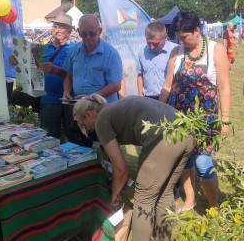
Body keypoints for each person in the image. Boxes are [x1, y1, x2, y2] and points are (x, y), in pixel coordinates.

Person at [73, 94, 193, 241]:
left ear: (89, 114)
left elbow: (121, 169)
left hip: (164, 137)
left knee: (144, 199)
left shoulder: (101, 120)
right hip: (186, 132)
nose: (87, 128)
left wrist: (113, 194)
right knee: (165, 192)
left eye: (83, 124)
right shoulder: (113, 108)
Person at [160, 10, 231, 210]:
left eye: (184, 37)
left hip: (204, 120)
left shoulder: (215, 50)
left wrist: (225, 119)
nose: (181, 41)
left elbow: (224, 88)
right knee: (183, 160)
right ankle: (190, 198)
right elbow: (167, 85)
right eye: (178, 37)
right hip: (178, 117)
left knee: (202, 163)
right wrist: (158, 109)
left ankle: (213, 204)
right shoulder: (176, 53)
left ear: (197, 30)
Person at [62, 14, 123, 146]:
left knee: (103, 147)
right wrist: (66, 91)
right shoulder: (74, 50)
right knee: (81, 146)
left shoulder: (110, 53)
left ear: (100, 31)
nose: (88, 37)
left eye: (92, 33)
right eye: (84, 34)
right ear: (78, 32)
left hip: (102, 111)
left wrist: (92, 97)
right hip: (80, 109)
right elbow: (68, 75)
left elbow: (116, 85)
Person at [37, 12, 75, 141]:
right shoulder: (43, 48)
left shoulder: (75, 48)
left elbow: (76, 73)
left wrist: (56, 70)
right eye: (55, 26)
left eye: (61, 27)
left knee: (72, 136)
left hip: (70, 99)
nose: (57, 30)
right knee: (48, 137)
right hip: (48, 98)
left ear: (69, 31)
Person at [137, 21, 177, 100]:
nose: (151, 47)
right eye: (149, 43)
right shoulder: (142, 50)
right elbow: (140, 75)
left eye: (155, 44)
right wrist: (140, 95)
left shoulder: (175, 51)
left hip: (170, 98)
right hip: (148, 99)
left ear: (165, 37)